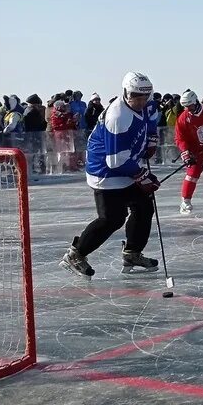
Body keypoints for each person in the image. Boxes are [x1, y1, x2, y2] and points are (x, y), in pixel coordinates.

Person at [60, 72, 162, 278]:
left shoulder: (147, 104)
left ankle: (132, 253)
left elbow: (151, 119)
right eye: (136, 96)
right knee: (113, 219)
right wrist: (141, 175)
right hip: (106, 171)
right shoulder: (118, 117)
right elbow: (115, 161)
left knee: (144, 207)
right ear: (125, 92)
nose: (141, 101)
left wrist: (151, 139)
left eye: (145, 96)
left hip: (128, 163)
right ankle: (76, 254)